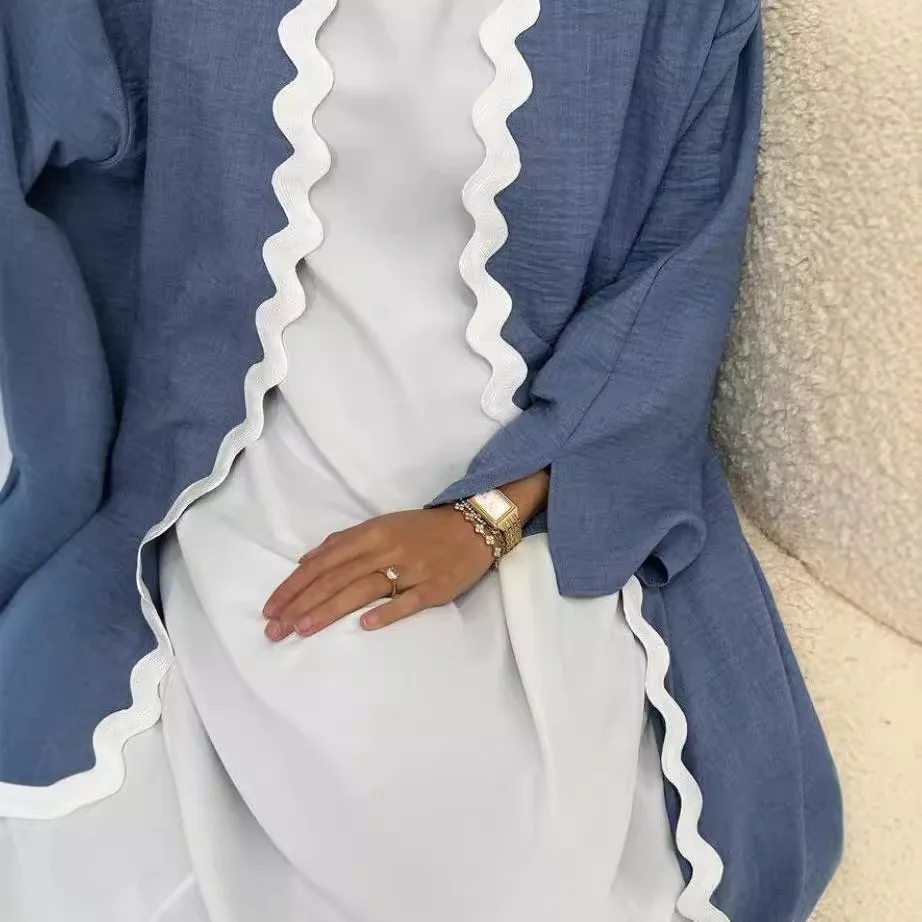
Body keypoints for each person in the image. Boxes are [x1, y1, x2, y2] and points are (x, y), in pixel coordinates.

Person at [0, 0, 843, 920]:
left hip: (527, 471)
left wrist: (488, 519)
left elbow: (672, 297)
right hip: (249, 447)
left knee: (490, 843)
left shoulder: (677, 15)